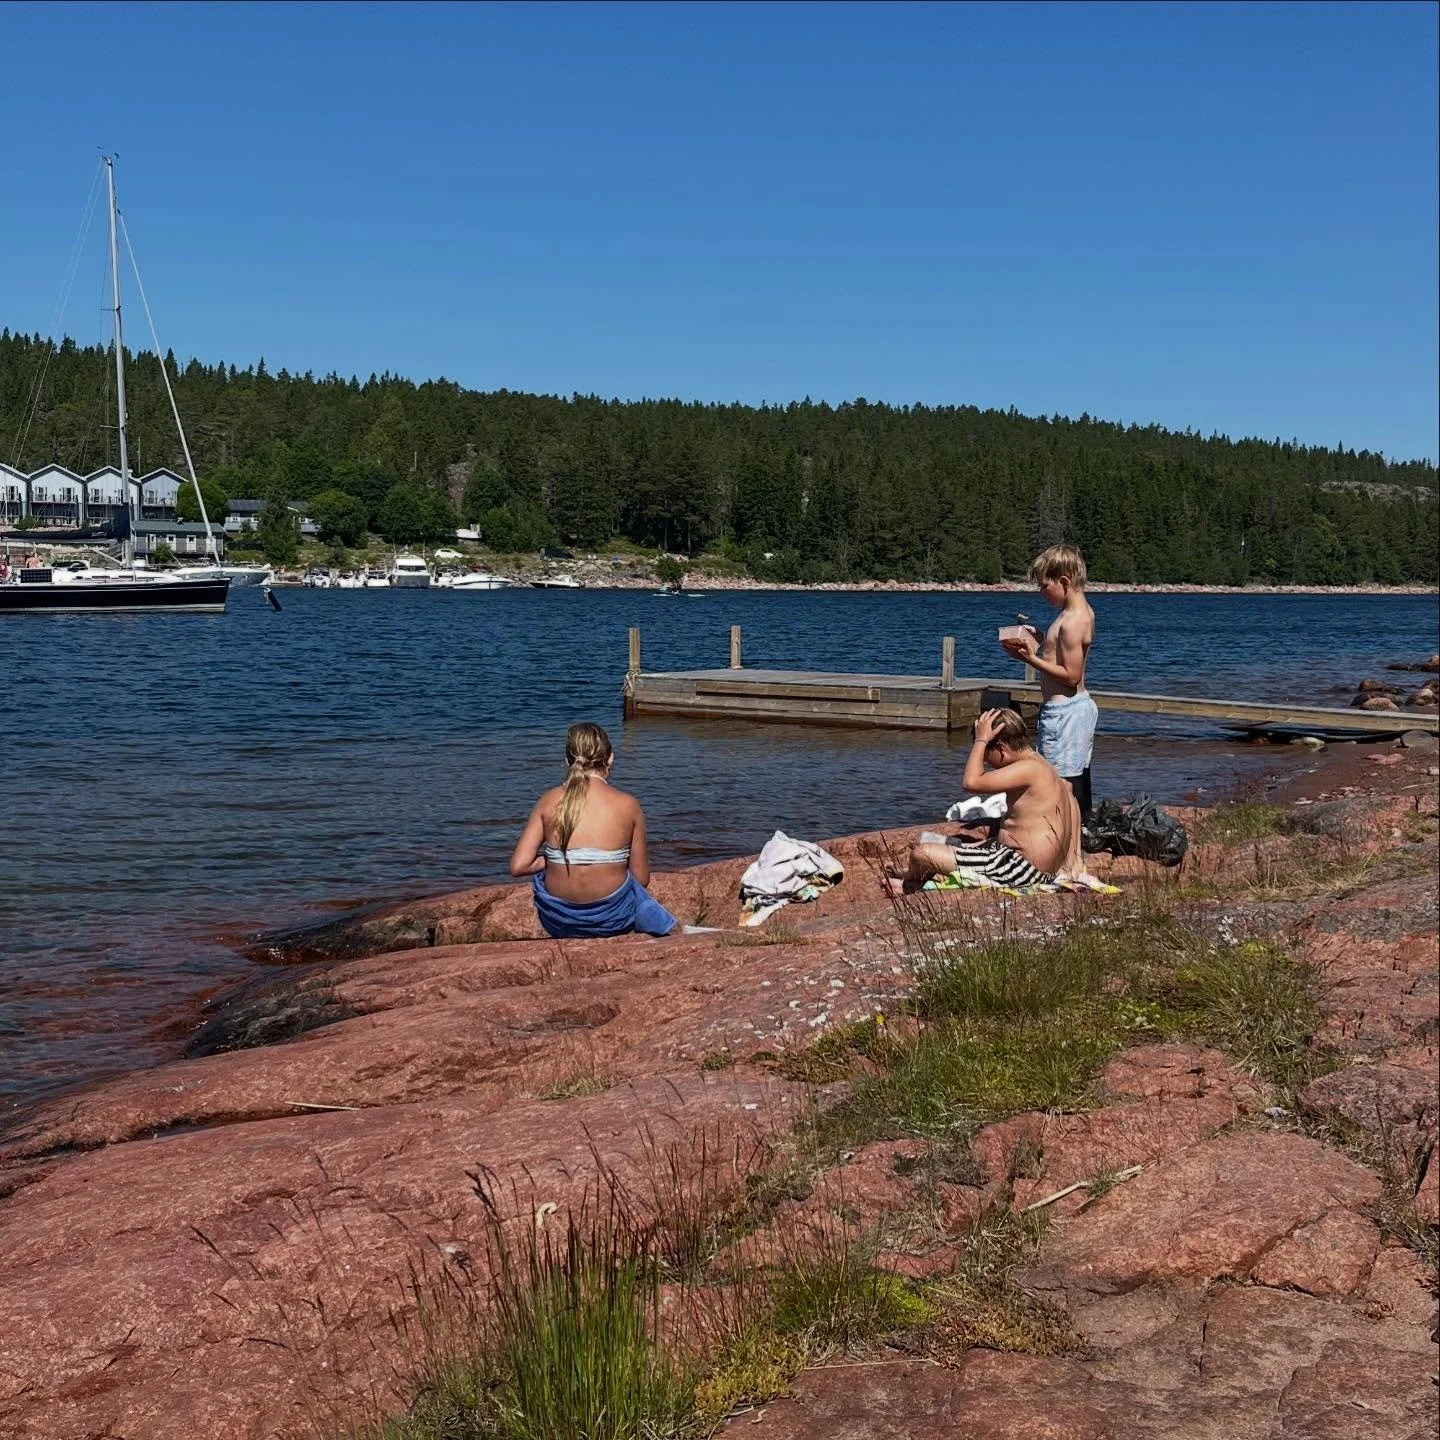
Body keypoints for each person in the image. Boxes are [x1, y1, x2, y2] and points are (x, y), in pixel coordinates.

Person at [510, 722, 677, 939]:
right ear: (610, 758)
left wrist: (550, 859)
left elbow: (518, 866)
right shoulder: (628, 804)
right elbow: (641, 878)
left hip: (558, 921)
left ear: (568, 761)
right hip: (612, 921)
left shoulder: (548, 800)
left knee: (544, 877)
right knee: (634, 890)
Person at [885, 708, 1080, 893]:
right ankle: (924, 868)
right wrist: (1072, 859)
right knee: (946, 842)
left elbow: (970, 782)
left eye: (987, 757)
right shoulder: (1042, 764)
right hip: (1024, 863)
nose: (987, 764)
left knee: (921, 853)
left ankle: (909, 881)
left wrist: (981, 740)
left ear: (1001, 749)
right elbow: (1071, 797)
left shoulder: (1029, 769)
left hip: (1019, 869)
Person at [1001, 543, 1097, 820]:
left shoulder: (1072, 622)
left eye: (1045, 586)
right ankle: (1080, 825)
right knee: (1075, 775)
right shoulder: (1076, 613)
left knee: (1060, 780)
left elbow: (1071, 676)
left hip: (1065, 712)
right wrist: (1041, 640)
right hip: (1072, 710)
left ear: (1064, 582)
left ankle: (1066, 830)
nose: (1042, 593)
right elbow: (1064, 653)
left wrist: (1030, 658)